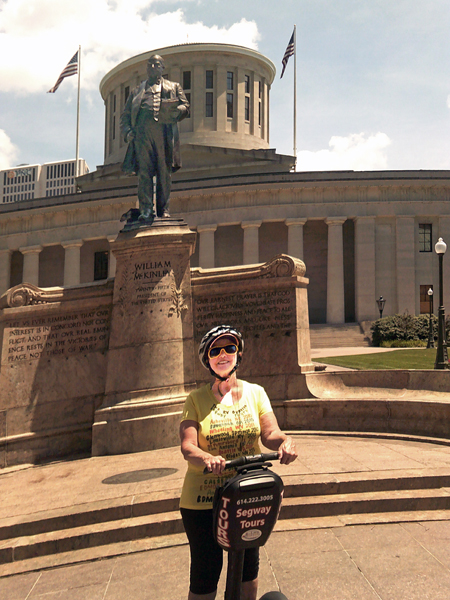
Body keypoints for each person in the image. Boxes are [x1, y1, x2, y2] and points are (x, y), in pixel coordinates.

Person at [179, 325, 298, 600]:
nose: (223, 355)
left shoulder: (256, 392)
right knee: (206, 569)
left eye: (229, 348)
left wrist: (285, 442)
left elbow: (270, 433)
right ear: (207, 359)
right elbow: (188, 446)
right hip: (202, 499)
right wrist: (207, 458)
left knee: (247, 566)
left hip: (247, 495)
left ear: (238, 354)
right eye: (216, 350)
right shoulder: (196, 399)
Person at [120, 54, 189, 224]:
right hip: (142, 137)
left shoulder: (173, 87)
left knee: (163, 173)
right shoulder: (137, 91)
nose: (152, 67)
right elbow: (125, 116)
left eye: (156, 65)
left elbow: (185, 106)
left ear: (162, 68)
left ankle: (163, 210)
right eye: (150, 65)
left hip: (163, 135)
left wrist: (177, 111)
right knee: (145, 174)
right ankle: (145, 210)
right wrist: (128, 132)